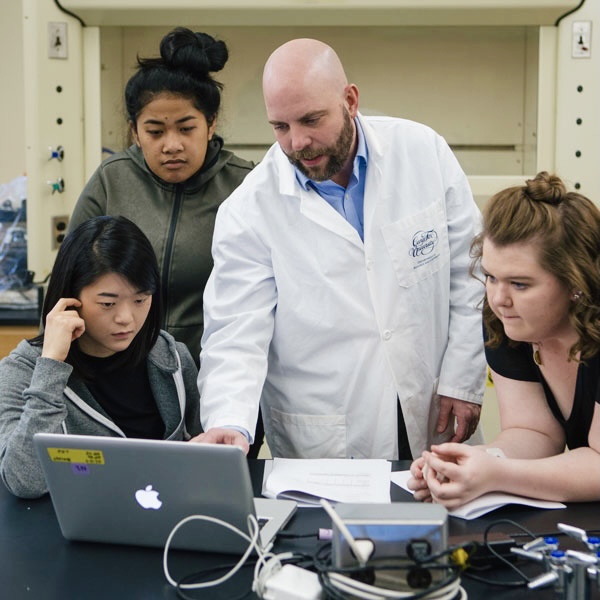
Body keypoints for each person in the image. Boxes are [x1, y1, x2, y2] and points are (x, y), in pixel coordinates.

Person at [193, 38, 486, 460]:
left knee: (446, 520)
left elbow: (471, 272)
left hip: (435, 406)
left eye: (311, 119)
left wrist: (463, 377)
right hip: (329, 436)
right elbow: (236, 331)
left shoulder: (423, 153)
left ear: (350, 100)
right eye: (280, 126)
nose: (297, 142)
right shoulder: (249, 209)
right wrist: (228, 422)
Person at [408, 172, 600, 507]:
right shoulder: (508, 321)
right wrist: (469, 464)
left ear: (575, 282)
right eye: (491, 277)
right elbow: (535, 433)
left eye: (520, 284)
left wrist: (497, 475)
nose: (498, 298)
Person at [69, 27, 254, 363]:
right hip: (121, 370)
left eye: (186, 128)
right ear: (135, 131)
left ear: (210, 124)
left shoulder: (245, 186)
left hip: (215, 373)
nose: (172, 145)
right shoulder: (113, 179)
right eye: (155, 131)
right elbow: (68, 283)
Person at [0, 216, 201, 499]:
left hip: (168, 527)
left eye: (141, 300)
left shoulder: (173, 360)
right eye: (107, 303)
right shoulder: (22, 370)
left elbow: (205, 457)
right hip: (67, 533)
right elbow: (24, 482)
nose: (126, 319)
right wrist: (52, 366)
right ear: (70, 298)